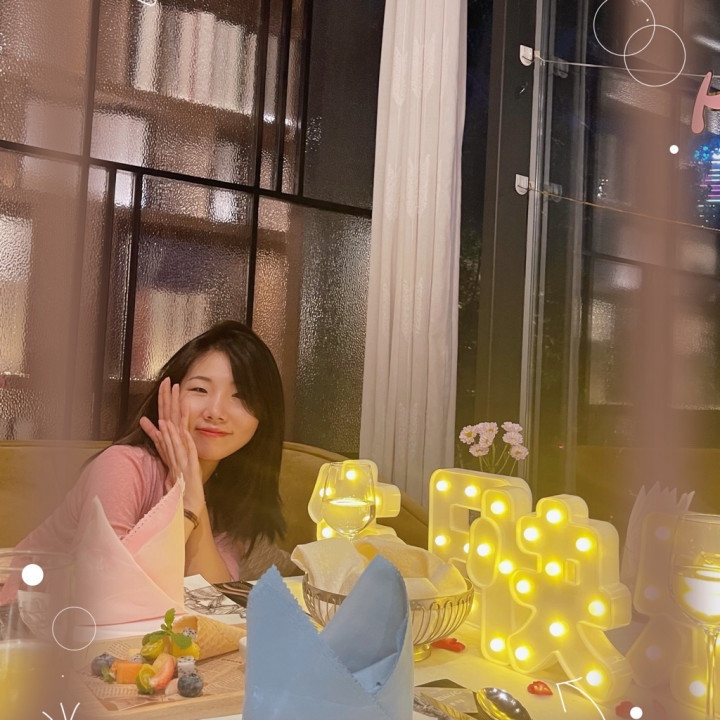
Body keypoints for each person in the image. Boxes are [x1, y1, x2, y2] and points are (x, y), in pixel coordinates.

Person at [9, 321, 297, 597]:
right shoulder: (123, 466)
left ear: (264, 417)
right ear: (167, 394)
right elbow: (108, 591)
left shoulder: (231, 497)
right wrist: (186, 504)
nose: (215, 411)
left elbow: (212, 599)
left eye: (241, 396)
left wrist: (193, 496)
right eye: (200, 389)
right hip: (20, 619)